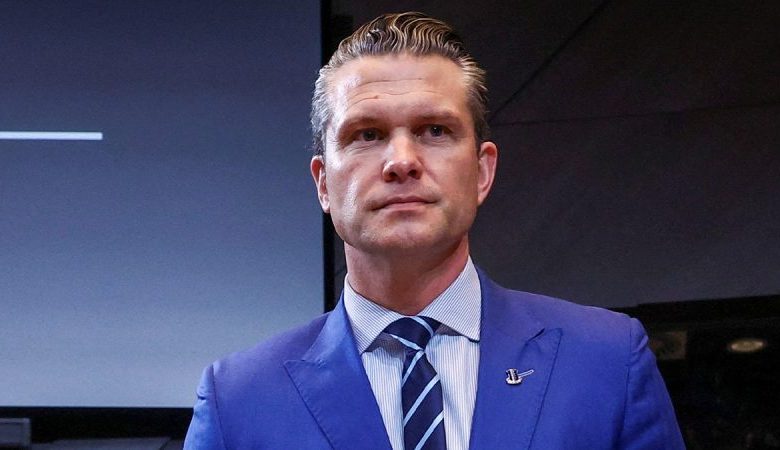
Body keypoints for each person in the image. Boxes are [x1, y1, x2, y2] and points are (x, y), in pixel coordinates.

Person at [184, 12, 685, 449]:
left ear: (482, 171)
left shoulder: (607, 361)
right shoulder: (238, 401)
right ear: (323, 184)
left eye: (435, 131)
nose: (402, 161)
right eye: (367, 134)